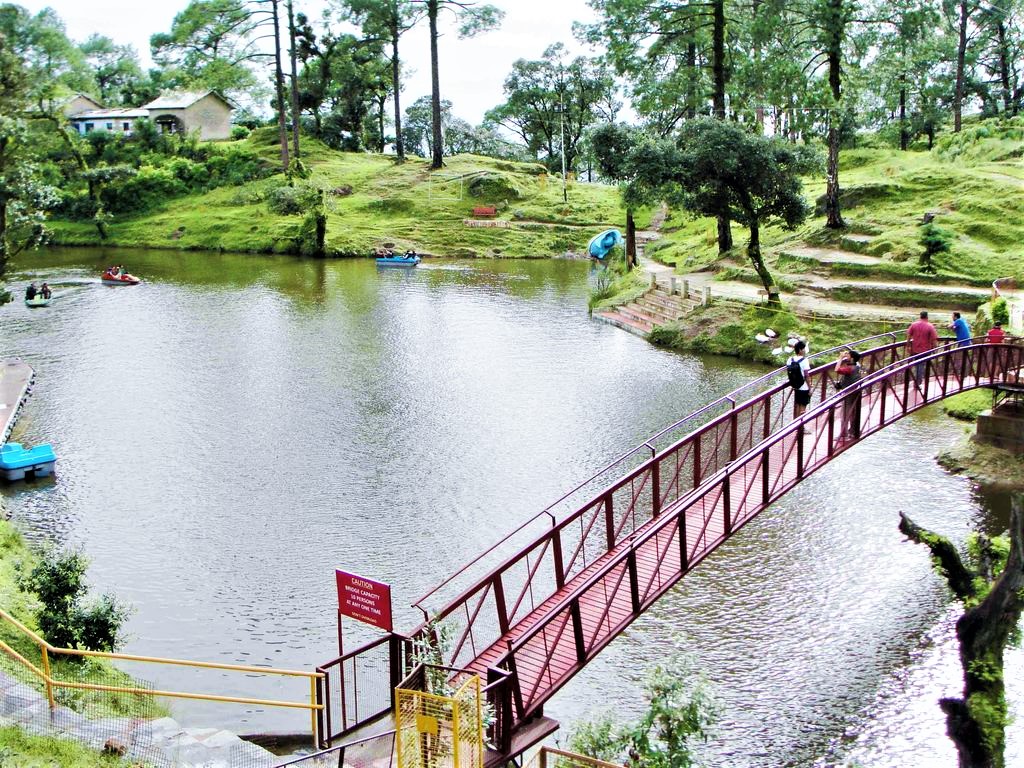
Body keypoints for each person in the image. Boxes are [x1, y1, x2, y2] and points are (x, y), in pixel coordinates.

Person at [834, 349, 863, 439]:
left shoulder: (849, 368)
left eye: (848, 355)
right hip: (856, 390)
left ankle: (844, 434)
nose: (847, 356)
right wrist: (846, 356)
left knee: (845, 413)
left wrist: (840, 357)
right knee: (853, 412)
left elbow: (836, 369)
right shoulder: (857, 365)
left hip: (848, 392)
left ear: (852, 358)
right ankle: (853, 431)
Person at [907, 310, 938, 384]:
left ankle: (916, 381)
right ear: (927, 317)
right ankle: (918, 382)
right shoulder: (930, 326)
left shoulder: (914, 325)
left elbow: (908, 335)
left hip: (915, 349)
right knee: (921, 366)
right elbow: (934, 339)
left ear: (920, 316)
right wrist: (935, 349)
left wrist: (908, 345)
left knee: (917, 365)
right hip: (925, 350)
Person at [787, 340, 812, 419]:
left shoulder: (790, 359)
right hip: (804, 387)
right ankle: (800, 427)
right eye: (804, 349)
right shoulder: (805, 360)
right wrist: (810, 387)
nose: (804, 350)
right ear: (800, 350)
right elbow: (807, 375)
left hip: (795, 386)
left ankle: (795, 425)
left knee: (797, 404)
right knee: (803, 406)